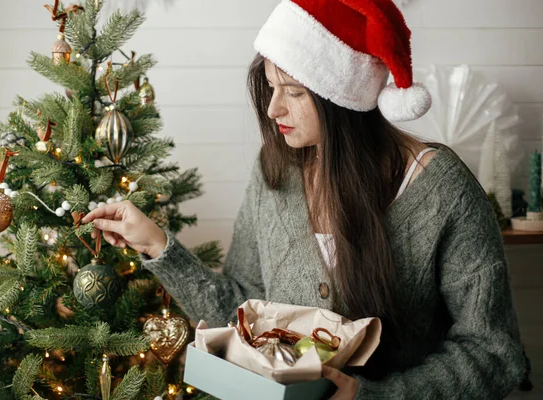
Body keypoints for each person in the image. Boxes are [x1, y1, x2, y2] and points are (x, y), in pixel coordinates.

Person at [82, 0, 526, 398]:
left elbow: (494, 352)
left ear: (343, 100)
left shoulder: (440, 188)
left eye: (294, 92)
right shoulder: (274, 168)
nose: (274, 110)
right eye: (272, 87)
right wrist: (158, 245)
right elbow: (241, 317)